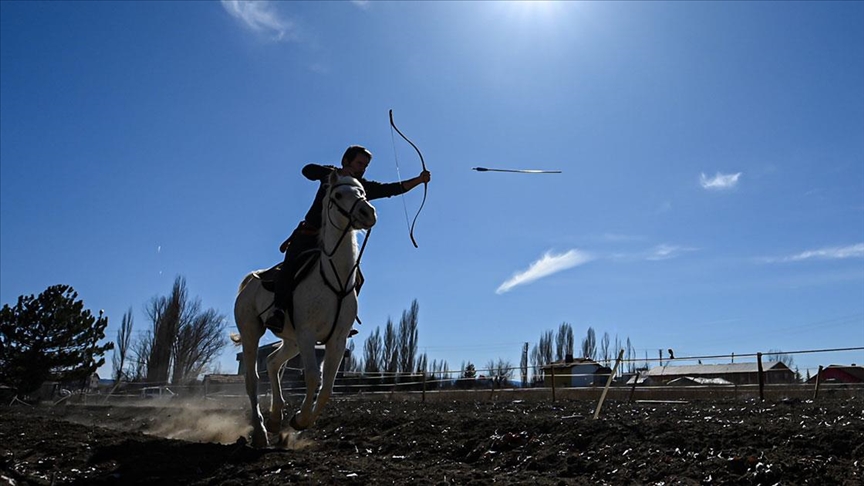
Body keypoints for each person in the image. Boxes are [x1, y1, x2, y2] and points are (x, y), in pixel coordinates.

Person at [266, 145, 431, 333]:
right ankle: (277, 311)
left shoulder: (360, 187)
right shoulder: (331, 175)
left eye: (365, 166)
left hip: (334, 242)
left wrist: (419, 180)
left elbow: (391, 189)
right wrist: (333, 173)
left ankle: (345, 319)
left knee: (357, 278)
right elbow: (307, 170)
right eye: (360, 163)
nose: (362, 168)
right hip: (309, 235)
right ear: (346, 161)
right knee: (289, 268)